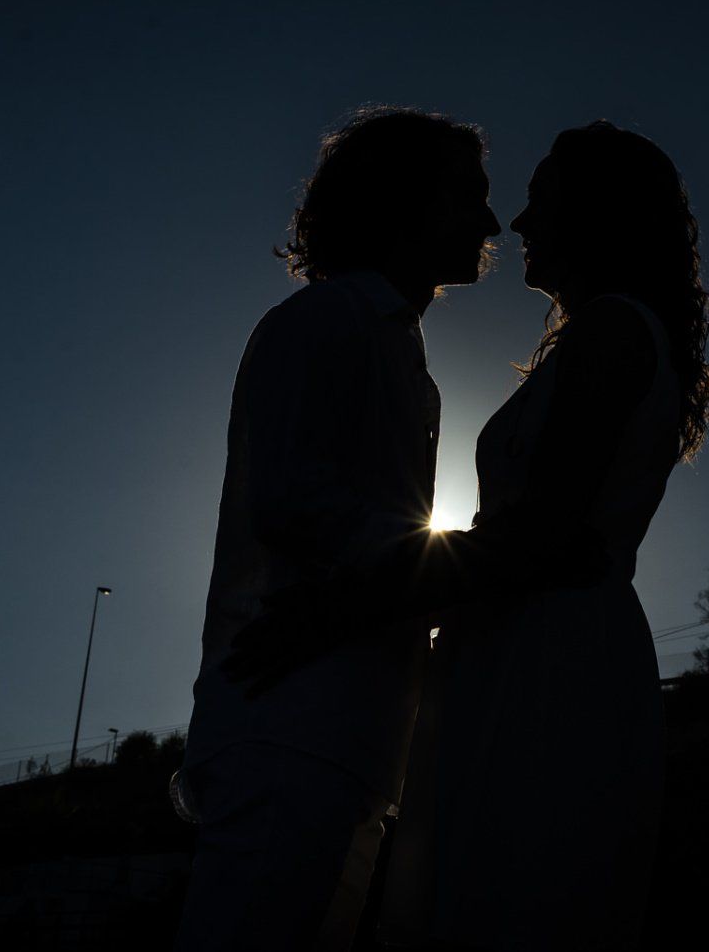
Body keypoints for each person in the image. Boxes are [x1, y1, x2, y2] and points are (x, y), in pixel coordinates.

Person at [230, 120, 709, 950]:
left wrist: (337, 607)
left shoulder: (613, 331)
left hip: (552, 654)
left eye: (540, 201)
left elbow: (538, 537)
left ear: (596, 215)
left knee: (514, 891)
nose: (515, 223)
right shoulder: (602, 335)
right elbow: (526, 537)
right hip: (514, 643)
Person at [171, 106, 502, 952]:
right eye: (470, 196)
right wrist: (460, 565)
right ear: (407, 200)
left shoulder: (399, 354)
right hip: (291, 720)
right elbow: (293, 499)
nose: (492, 223)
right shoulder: (324, 323)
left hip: (353, 732)